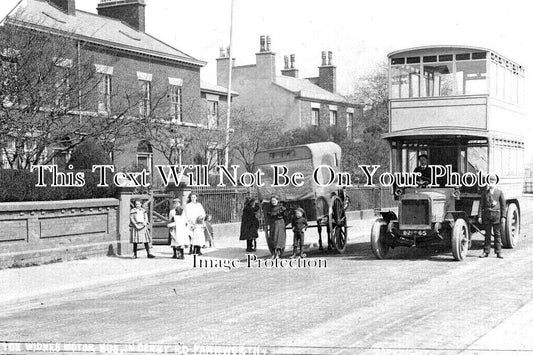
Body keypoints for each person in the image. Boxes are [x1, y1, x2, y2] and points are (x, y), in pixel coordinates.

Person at [478, 176, 506, 259]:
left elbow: (503, 205)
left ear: (495, 183)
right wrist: (479, 216)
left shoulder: (499, 192)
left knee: (497, 235)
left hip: (496, 216)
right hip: (487, 216)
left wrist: (503, 216)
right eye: (490, 182)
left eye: (493, 182)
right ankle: (486, 252)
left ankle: (498, 252)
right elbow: (481, 205)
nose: (491, 183)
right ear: (488, 183)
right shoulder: (484, 193)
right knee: (487, 235)